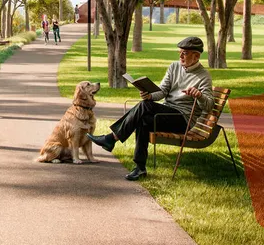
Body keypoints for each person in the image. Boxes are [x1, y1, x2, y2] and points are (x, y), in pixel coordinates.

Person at [87, 36, 214, 181]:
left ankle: (111, 138)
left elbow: (209, 106)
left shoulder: (204, 76)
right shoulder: (174, 67)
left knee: (144, 107)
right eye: (180, 52)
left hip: (183, 119)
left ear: (196, 55)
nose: (180, 55)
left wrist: (199, 96)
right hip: (165, 113)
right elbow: (163, 91)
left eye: (184, 53)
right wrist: (150, 96)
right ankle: (139, 167)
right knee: (143, 119)